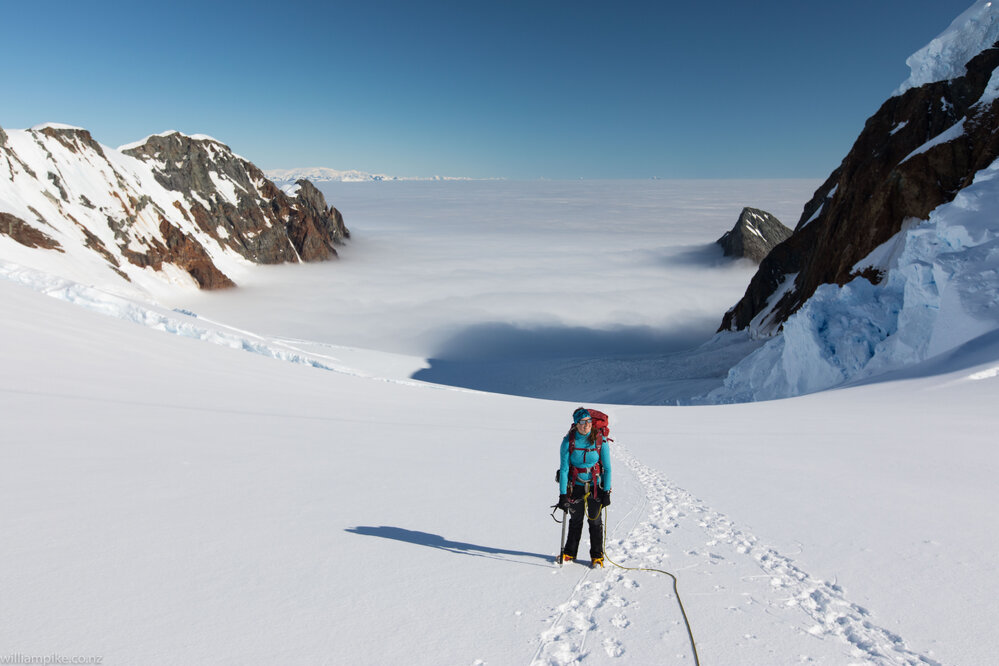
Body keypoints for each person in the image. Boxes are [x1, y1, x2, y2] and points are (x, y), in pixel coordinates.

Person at [557, 407, 612, 567]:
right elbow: (564, 469)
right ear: (576, 424)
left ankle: (597, 556)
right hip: (575, 486)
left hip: (596, 485)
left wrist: (607, 491)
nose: (586, 425)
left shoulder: (599, 440)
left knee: (595, 521)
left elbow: (607, 468)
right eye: (582, 422)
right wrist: (562, 495)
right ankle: (569, 553)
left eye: (588, 421)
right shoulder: (569, 441)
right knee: (576, 520)